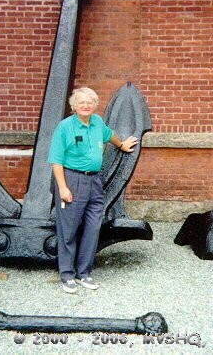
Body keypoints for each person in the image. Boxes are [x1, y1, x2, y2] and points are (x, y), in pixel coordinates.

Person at [48, 87, 138, 293]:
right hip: (72, 180)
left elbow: (109, 135)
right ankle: (67, 275)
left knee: (92, 228)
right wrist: (62, 187)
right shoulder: (65, 127)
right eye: (82, 103)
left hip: (95, 182)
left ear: (95, 105)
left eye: (90, 102)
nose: (86, 106)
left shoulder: (97, 122)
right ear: (74, 106)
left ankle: (83, 273)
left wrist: (121, 144)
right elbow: (56, 160)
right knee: (68, 230)